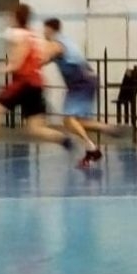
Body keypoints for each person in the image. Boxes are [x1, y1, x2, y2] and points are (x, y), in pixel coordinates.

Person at [0, 4, 72, 160]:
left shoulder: (19, 35)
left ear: (16, 18)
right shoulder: (33, 35)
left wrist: (3, 69)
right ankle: (63, 139)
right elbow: (39, 56)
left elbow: (17, 62)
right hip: (36, 84)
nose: (8, 18)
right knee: (34, 128)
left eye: (10, 16)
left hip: (24, 82)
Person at [42, 18, 124, 168]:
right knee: (77, 122)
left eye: (44, 29)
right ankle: (107, 128)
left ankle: (91, 148)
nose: (43, 33)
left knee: (68, 120)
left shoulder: (56, 43)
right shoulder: (65, 41)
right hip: (86, 81)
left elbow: (42, 59)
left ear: (50, 29)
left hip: (81, 83)